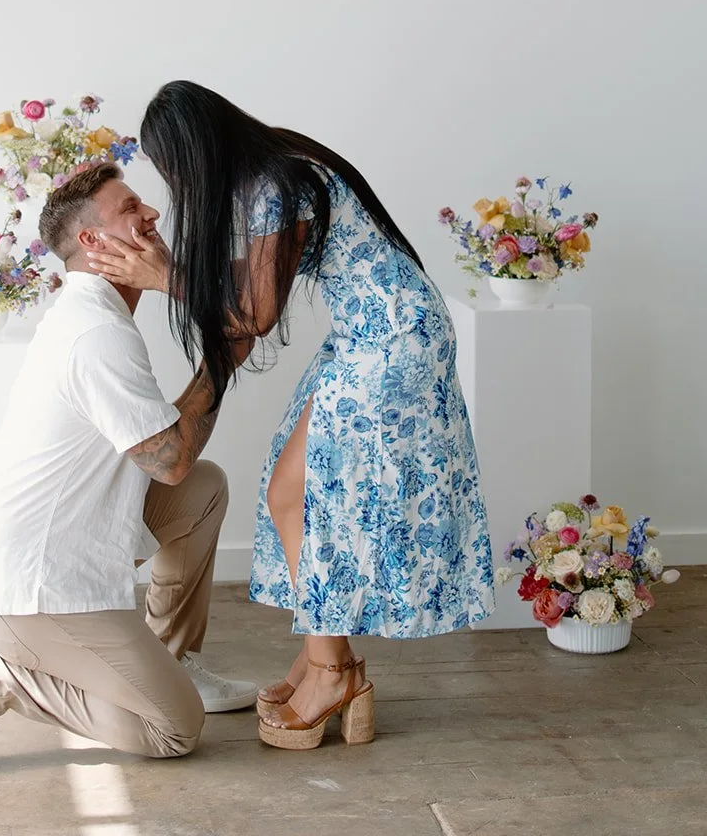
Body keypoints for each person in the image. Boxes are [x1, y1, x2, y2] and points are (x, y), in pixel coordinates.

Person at [86, 81, 495, 752]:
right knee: (292, 491)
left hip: (391, 338)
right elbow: (249, 290)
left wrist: (163, 277)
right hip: (372, 333)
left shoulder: (275, 184)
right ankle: (328, 663)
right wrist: (170, 272)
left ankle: (331, 672)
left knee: (296, 494)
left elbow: (253, 314)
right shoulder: (274, 169)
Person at [0, 161, 257, 776]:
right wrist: (224, 353)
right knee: (173, 729)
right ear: (93, 242)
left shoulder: (99, 314)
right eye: (131, 209)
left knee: (204, 489)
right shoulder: (93, 334)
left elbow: (180, 468)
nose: (152, 215)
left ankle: (172, 656)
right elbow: (168, 460)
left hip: (71, 545)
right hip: (34, 589)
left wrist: (182, 293)